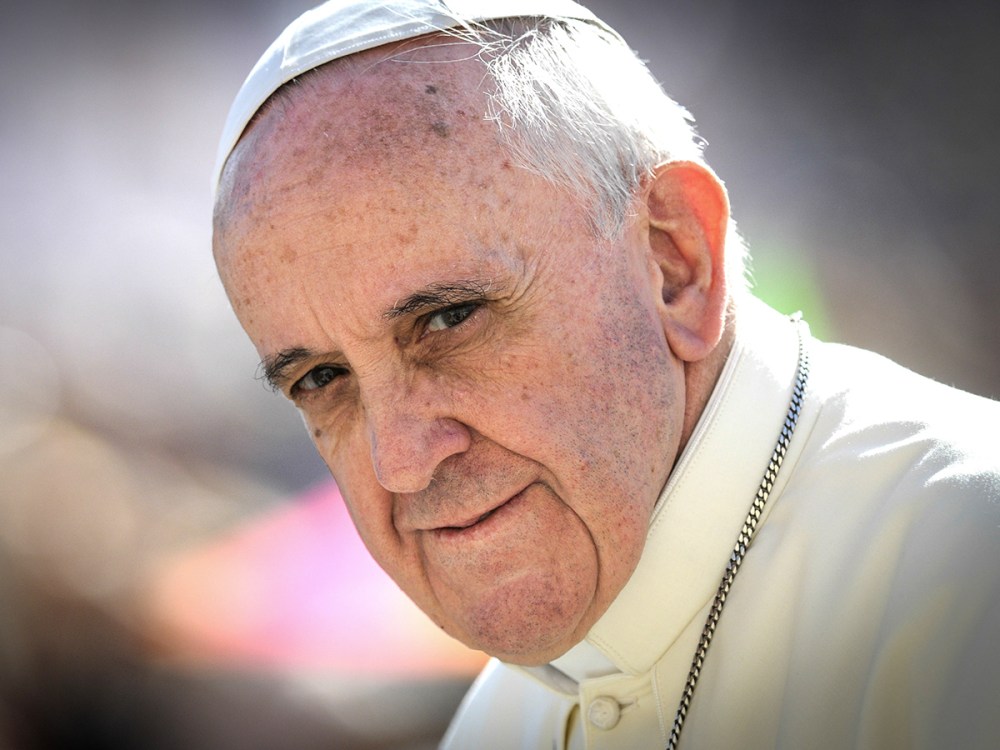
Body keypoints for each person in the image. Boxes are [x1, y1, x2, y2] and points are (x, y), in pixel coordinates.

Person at [210, 1, 1000, 747]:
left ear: (674, 261)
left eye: (448, 320)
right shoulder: (499, 720)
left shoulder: (971, 566)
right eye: (322, 380)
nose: (402, 460)